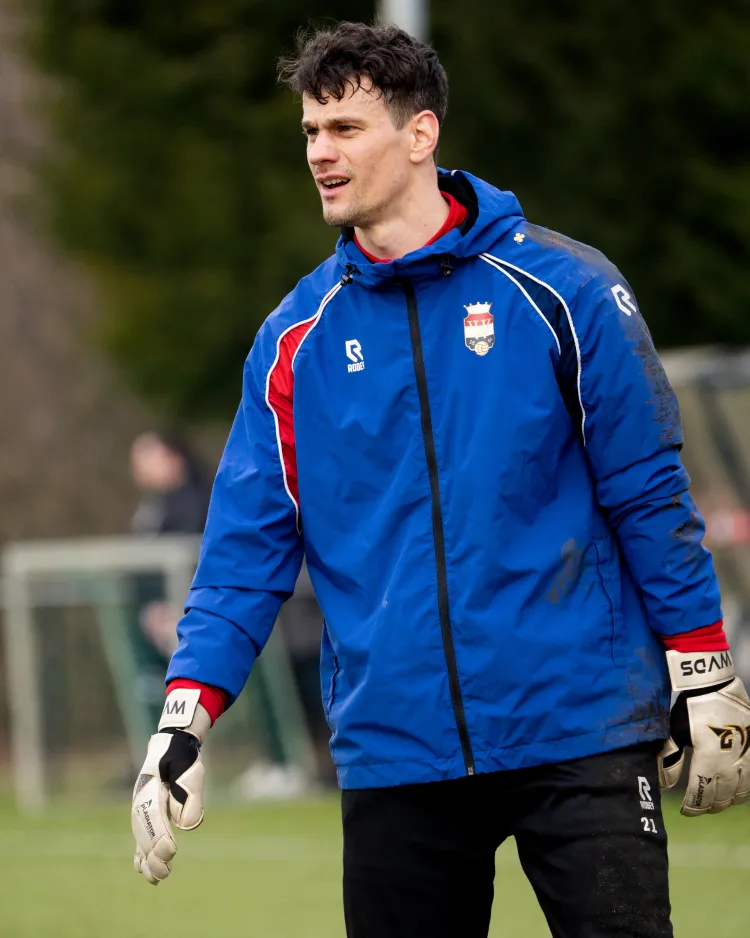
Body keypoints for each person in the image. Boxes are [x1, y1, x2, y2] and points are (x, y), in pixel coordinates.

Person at [130, 22, 750, 937]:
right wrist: (183, 719)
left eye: (345, 128)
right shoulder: (293, 340)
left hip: (580, 727)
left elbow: (648, 491)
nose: (319, 153)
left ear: (420, 135)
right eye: (309, 131)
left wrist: (703, 669)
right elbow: (243, 557)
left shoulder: (564, 289)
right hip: (395, 751)